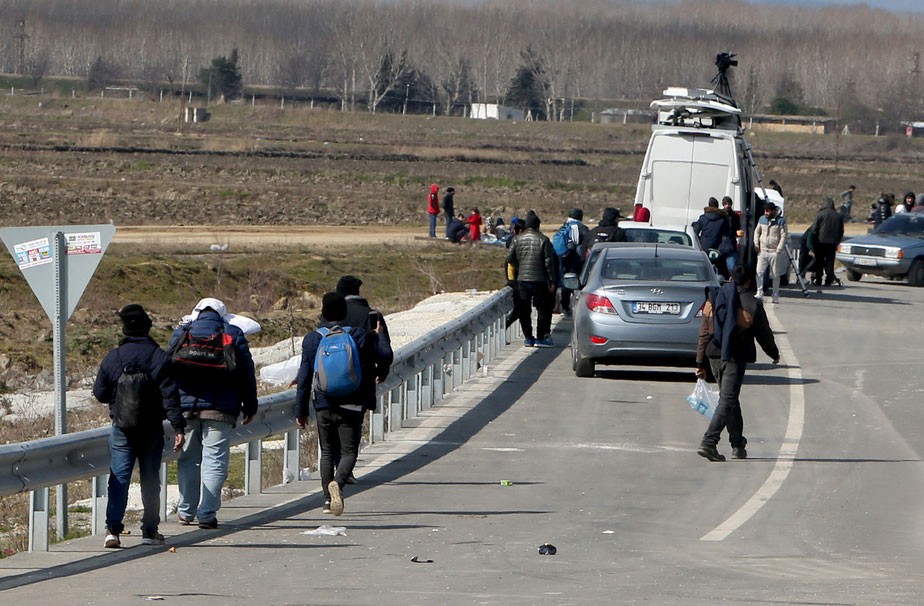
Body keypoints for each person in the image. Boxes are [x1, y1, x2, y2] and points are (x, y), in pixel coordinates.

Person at [93, 304, 186, 548]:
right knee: (150, 479)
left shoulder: (113, 357)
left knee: (119, 477)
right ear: (147, 328)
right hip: (151, 429)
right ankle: (149, 529)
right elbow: (171, 396)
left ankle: (113, 530)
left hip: (122, 427)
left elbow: (100, 393)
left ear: (124, 329)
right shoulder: (159, 357)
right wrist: (178, 427)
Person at [295, 292, 388, 516]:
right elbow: (385, 356)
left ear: (323, 313)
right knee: (348, 452)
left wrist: (301, 410)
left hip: (323, 403)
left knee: (327, 451)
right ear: (344, 313)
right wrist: (380, 336)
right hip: (352, 402)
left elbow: (304, 377)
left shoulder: (312, 339)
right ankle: (338, 482)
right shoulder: (359, 335)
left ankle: (327, 500)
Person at [169, 298, 258, 529]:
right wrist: (250, 405)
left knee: (188, 459)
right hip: (221, 409)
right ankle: (207, 513)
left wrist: (170, 406)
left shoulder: (182, 331)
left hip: (186, 409)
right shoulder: (233, 333)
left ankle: (186, 511)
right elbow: (246, 374)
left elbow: (167, 367)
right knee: (215, 461)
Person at [695, 266, 780, 462]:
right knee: (728, 400)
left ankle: (738, 445)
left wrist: (700, 361)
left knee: (730, 399)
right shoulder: (752, 304)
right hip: (734, 358)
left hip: (713, 356)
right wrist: (773, 353)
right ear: (749, 282)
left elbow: (704, 332)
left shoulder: (714, 297)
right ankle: (709, 442)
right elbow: (764, 334)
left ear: (731, 278)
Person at [334, 275, 394, 485]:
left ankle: (333, 470)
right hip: (360, 382)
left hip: (329, 382)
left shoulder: (332, 316)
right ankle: (345, 472)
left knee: (331, 428)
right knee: (353, 426)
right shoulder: (372, 315)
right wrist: (382, 370)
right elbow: (385, 353)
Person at [506, 211, 557, 348]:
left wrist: (520, 267)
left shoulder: (517, 239)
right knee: (542, 309)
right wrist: (551, 280)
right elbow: (548, 262)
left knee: (524, 309)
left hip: (523, 280)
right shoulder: (544, 240)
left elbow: (510, 258)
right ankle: (541, 337)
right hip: (540, 280)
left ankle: (528, 338)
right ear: (538, 226)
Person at [753, 201, 788, 303]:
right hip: (763, 250)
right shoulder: (761, 219)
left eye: (768, 211)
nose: (766, 213)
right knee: (759, 272)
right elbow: (757, 232)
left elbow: (783, 236)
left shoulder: (781, 221)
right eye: (765, 211)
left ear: (773, 211)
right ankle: (759, 291)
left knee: (775, 274)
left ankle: (775, 294)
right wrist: (756, 243)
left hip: (774, 251)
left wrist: (779, 249)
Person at [557, 208, 589, 316]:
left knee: (566, 283)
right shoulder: (583, 228)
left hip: (564, 259)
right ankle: (580, 307)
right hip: (578, 260)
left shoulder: (564, 227)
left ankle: (565, 308)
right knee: (580, 283)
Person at [692, 197, 733, 277]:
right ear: (717, 206)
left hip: (704, 247)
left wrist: (700, 242)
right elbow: (728, 234)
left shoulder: (703, 218)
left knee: (702, 270)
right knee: (720, 272)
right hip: (718, 249)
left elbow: (695, 232)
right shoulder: (723, 218)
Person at [808, 197, 845, 287]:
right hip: (832, 243)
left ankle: (818, 280)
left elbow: (814, 229)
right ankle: (829, 280)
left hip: (821, 242)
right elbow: (841, 231)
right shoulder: (838, 216)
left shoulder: (820, 214)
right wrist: (837, 241)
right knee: (830, 262)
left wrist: (814, 241)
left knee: (819, 262)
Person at [721, 196, 740, 274]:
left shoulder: (735, 216)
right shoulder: (720, 215)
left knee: (731, 267)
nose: (727, 205)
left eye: (729, 204)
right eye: (725, 204)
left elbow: (737, 229)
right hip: (721, 244)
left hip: (731, 244)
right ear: (723, 205)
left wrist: (737, 234)